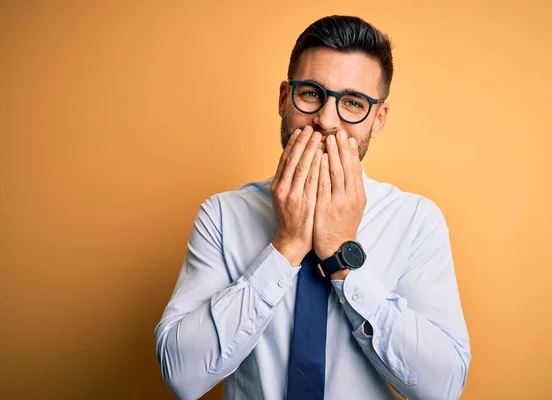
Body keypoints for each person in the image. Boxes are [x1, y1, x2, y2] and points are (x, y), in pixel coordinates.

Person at [155, 15, 471, 400]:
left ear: (378, 119)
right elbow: (183, 377)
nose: (325, 120)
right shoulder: (222, 216)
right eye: (311, 94)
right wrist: (285, 246)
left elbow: (443, 388)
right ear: (284, 98)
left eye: (353, 103)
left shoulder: (417, 222)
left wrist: (342, 257)